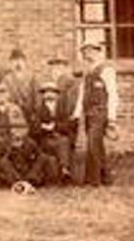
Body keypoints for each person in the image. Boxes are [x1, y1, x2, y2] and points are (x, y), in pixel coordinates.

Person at [72, 41, 118, 186]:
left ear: (98, 52)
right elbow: (82, 94)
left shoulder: (106, 70)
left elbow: (113, 94)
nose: (87, 54)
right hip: (88, 113)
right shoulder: (87, 72)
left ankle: (94, 179)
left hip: (100, 112)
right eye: (85, 52)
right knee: (96, 144)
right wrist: (77, 113)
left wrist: (112, 118)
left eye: (90, 51)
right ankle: (105, 177)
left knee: (93, 143)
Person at [31, 81, 75, 183]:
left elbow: (69, 125)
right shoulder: (38, 109)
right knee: (59, 143)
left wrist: (55, 126)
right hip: (45, 138)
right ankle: (63, 170)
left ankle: (65, 170)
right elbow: (34, 127)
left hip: (60, 136)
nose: (49, 94)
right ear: (43, 95)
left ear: (57, 95)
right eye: (46, 92)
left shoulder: (63, 109)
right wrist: (43, 127)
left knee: (63, 142)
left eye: (52, 92)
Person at [0, 120, 57, 189]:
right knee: (3, 162)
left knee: (43, 158)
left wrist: (33, 170)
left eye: (20, 130)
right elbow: (2, 160)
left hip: (28, 170)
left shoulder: (30, 142)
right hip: (14, 172)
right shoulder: (6, 143)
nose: (17, 132)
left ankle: (29, 180)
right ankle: (18, 182)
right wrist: (11, 149)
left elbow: (40, 155)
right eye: (15, 129)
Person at [2, 48, 38, 120]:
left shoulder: (31, 77)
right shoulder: (6, 79)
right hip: (13, 114)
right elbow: (4, 98)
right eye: (15, 60)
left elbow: (36, 96)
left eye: (21, 60)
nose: (18, 63)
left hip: (29, 113)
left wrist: (35, 112)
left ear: (24, 62)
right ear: (11, 63)